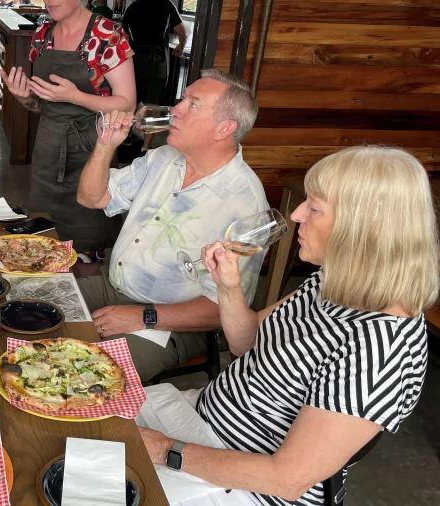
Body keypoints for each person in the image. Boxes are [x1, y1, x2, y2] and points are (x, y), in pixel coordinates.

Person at [135, 145, 437, 506]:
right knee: (83, 422)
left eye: (314, 207)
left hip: (246, 487)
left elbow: (287, 479)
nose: (295, 215)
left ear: (362, 227)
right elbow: (246, 343)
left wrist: (164, 449)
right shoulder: (332, 282)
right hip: (201, 422)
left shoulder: (380, 348)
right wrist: (228, 287)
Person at [75, 69, 267, 382]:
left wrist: (144, 316)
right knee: (30, 307)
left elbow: (224, 308)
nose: (176, 108)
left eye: (193, 103)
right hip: (113, 287)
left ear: (224, 128)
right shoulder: (164, 157)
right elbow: (91, 197)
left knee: (85, 377)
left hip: (171, 323)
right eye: (183, 99)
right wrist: (106, 146)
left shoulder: (246, 205)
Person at [0, 0, 135, 259]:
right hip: (48, 155)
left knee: (88, 246)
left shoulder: (107, 34)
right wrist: (24, 97)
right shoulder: (43, 35)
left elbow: (127, 104)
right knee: (45, 242)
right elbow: (41, 106)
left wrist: (76, 97)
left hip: (92, 154)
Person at [122, 0, 188, 156]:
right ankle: (145, 147)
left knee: (132, 99)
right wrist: (181, 46)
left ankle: (126, 136)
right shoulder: (166, 4)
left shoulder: (133, 6)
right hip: (157, 59)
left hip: (135, 59)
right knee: (153, 102)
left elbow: (123, 36)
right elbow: (182, 31)